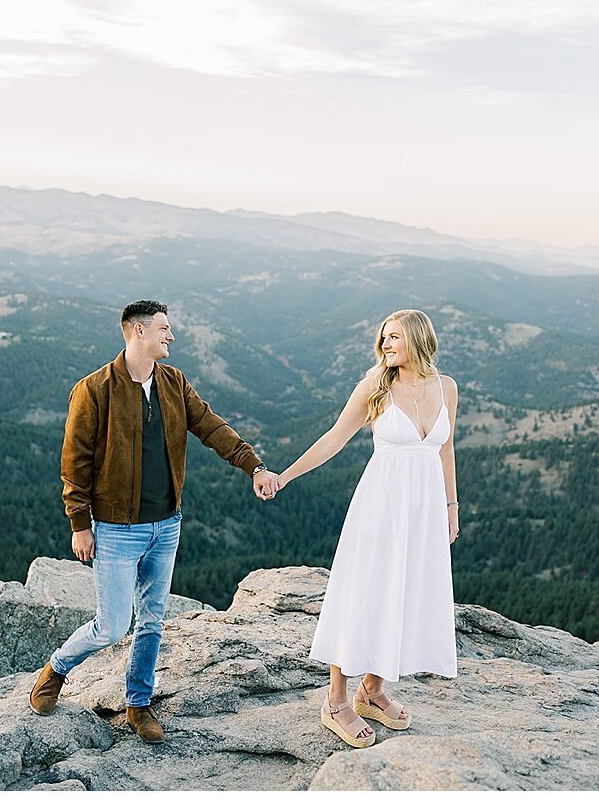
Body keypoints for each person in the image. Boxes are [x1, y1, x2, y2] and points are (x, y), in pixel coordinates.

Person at [28, 299, 280, 744]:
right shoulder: (94, 390)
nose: (171, 336)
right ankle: (56, 670)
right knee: (111, 626)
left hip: (166, 525)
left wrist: (253, 465)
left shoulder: (173, 382)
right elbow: (74, 462)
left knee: (152, 620)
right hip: (116, 529)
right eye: (164, 328)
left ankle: (138, 704)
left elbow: (211, 427)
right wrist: (79, 523)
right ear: (138, 331)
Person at [270, 308, 459, 748]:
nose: (385, 344)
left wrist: (451, 505)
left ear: (418, 339)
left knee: (407, 591)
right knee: (363, 591)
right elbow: (334, 438)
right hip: (380, 507)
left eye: (394, 337)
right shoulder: (376, 385)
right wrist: (286, 476)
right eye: (383, 337)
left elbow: (446, 448)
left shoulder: (446, 387)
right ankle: (336, 700)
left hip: (424, 509)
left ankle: (371, 690)